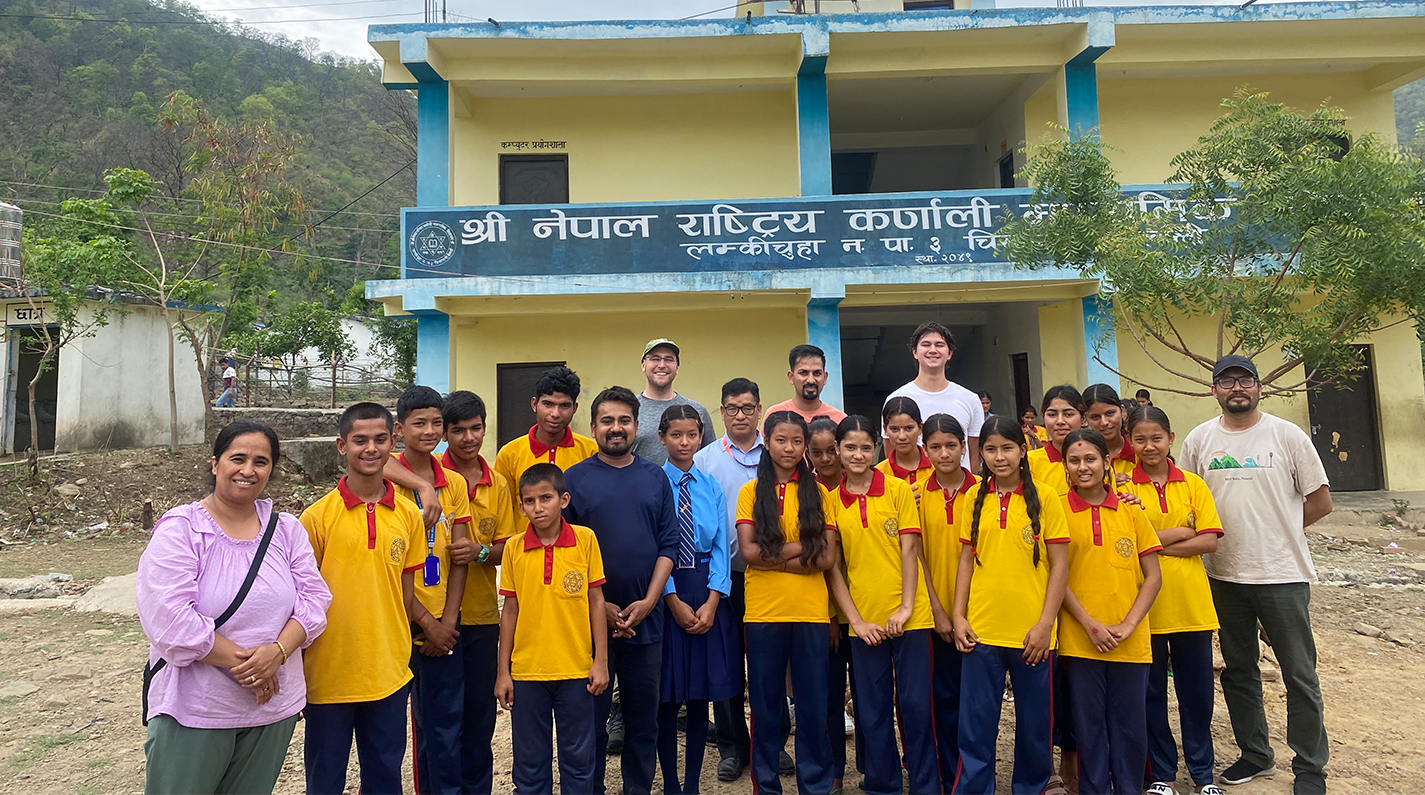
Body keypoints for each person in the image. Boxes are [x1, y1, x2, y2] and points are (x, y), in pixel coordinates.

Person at [138, 420, 331, 795]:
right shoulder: (182, 529)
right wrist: (255, 667)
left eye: (261, 461)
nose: (248, 470)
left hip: (272, 708)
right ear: (215, 464)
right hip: (196, 708)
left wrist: (277, 652)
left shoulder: (286, 530)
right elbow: (169, 618)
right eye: (237, 458)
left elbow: (315, 598)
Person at [1178, 355, 1333, 795]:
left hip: (1282, 573)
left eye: (1244, 380)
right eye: (1227, 382)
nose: (1236, 388)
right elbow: (1191, 503)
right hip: (1222, 575)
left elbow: (1321, 501)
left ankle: (1309, 766)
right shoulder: (1199, 439)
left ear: (1259, 387)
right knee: (1238, 669)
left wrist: (1279, 530)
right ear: (1215, 391)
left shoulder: (1287, 435)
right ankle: (1255, 754)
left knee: (1299, 673)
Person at [300, 403, 427, 795]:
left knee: (386, 777)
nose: (370, 449)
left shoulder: (408, 515)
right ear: (342, 446)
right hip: (328, 675)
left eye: (380, 439)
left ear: (394, 442)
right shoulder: (316, 518)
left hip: (388, 673)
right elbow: (302, 602)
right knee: (325, 779)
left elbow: (405, 595)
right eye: (359, 440)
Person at [564, 386, 679, 795]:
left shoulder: (655, 477)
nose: (616, 428)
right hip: (589, 621)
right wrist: (602, 606)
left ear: (636, 426)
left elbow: (669, 544)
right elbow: (566, 556)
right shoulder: (573, 481)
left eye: (624, 420)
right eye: (607, 421)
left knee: (642, 721)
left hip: (647, 620)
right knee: (590, 722)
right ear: (593, 426)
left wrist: (650, 600)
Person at [950, 416, 1069, 795]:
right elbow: (966, 561)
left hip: (1031, 631)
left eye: (1007, 448)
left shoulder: (1046, 497)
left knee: (1035, 724)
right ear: (980, 453)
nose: (999, 457)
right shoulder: (974, 497)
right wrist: (958, 616)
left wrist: (1044, 624)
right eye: (990, 449)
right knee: (976, 723)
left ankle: (1031, 787)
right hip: (982, 628)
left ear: (1023, 450)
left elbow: (1060, 566)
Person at [826, 415, 939, 795]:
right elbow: (833, 568)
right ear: (838, 451)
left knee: (916, 706)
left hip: (912, 616)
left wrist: (906, 608)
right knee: (871, 709)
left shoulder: (897, 490)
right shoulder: (830, 501)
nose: (858, 455)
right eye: (849, 447)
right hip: (864, 622)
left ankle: (926, 784)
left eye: (864, 447)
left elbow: (911, 550)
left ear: (877, 447)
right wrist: (855, 621)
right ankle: (882, 783)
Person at [694, 379, 794, 782]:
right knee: (727, 665)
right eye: (732, 408)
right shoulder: (704, 460)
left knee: (770, 667)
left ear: (759, 411)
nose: (740, 415)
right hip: (725, 578)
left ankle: (772, 743)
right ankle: (734, 746)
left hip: (773, 577)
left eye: (747, 407)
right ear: (721, 412)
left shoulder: (777, 454)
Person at [736, 411, 839, 795]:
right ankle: (766, 785)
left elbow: (826, 558)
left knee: (812, 706)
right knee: (765, 707)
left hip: (811, 613)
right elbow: (748, 552)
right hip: (763, 613)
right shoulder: (750, 493)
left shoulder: (820, 494)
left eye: (798, 442)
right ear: (767, 441)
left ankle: (815, 784)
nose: (790, 449)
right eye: (781, 440)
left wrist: (774, 554)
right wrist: (803, 550)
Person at [1127, 406, 1227, 795]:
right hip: (1145, 610)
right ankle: (1163, 774)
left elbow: (1209, 540)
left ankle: (1204, 775)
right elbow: (1132, 544)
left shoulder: (1193, 484)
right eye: (1140, 439)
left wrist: (1155, 538)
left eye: (1156, 438)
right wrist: (1181, 531)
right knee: (1151, 696)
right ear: (1129, 442)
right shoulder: (1123, 490)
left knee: (1197, 696)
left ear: (1171, 439)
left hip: (1192, 609)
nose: (1149, 446)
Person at [1058, 428, 1163, 795]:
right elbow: (1058, 578)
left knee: (1130, 726)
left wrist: (1129, 624)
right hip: (1080, 638)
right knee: (1089, 726)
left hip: (1131, 640)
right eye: (1074, 460)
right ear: (1065, 465)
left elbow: (1152, 576)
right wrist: (1089, 624)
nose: (1083, 467)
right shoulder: (1057, 511)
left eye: (1090, 459)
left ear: (1107, 462)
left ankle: (1130, 789)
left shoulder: (1132, 512)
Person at [494, 464, 610, 795]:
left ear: (563, 499)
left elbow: (596, 601)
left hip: (575, 670)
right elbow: (511, 611)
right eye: (529, 501)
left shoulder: (585, 540)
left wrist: (600, 660)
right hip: (528, 673)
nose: (538, 507)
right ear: (521, 506)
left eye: (546, 498)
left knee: (578, 759)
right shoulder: (515, 548)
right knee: (529, 764)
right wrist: (504, 671)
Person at [382, 386, 474, 795]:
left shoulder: (453, 482)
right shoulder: (381, 474)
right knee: (387, 731)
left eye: (437, 422)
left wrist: (447, 621)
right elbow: (374, 458)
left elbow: (459, 555)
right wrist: (423, 621)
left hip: (441, 622)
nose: (430, 431)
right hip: (396, 621)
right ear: (399, 429)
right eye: (419, 423)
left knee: (443, 726)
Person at [655, 405, 739, 795]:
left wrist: (713, 599)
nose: (684, 442)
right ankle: (670, 783)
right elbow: (654, 546)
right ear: (662, 438)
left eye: (691, 435)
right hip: (668, 589)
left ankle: (691, 785)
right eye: (676, 435)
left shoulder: (709, 486)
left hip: (705, 590)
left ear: (700, 436)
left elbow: (722, 543)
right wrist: (670, 598)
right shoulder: (653, 484)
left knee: (700, 695)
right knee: (668, 698)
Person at [439, 390, 516, 795]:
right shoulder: (427, 476)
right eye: (458, 431)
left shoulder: (498, 482)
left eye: (475, 429)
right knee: (438, 722)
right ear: (444, 434)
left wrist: (480, 551)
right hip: (433, 622)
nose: (468, 438)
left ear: (485, 428)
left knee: (479, 718)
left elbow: (509, 546)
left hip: (484, 616)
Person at [919, 413, 977, 791]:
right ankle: (947, 773)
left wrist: (964, 613)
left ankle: (975, 775)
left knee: (976, 701)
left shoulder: (984, 491)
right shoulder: (914, 495)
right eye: (936, 447)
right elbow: (916, 556)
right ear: (925, 450)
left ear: (963, 447)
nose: (944, 453)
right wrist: (939, 611)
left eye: (951, 446)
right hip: (934, 612)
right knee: (943, 696)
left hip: (978, 613)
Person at [809, 413, 862, 790]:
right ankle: (835, 773)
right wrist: (830, 616)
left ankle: (873, 768)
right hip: (827, 615)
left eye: (833, 451)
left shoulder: (855, 488)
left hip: (865, 612)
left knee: (867, 697)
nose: (827, 459)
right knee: (829, 696)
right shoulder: (809, 494)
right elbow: (822, 564)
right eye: (819, 453)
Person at [494, 366, 598, 521]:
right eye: (548, 404)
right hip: (524, 545)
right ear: (534, 404)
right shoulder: (509, 453)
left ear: (575, 408)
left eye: (564, 406)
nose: (555, 414)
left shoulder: (590, 450)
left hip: (577, 544)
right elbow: (503, 511)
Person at [884, 322, 984, 470]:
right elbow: (891, 456)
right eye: (926, 344)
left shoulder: (970, 399)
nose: (933, 350)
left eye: (939, 345)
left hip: (962, 490)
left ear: (949, 353)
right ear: (915, 352)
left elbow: (974, 456)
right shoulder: (896, 399)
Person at [630, 339, 715, 466]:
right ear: (643, 365)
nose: (662, 365)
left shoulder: (696, 410)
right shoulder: (630, 409)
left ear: (677, 368)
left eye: (669, 359)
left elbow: (710, 457)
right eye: (655, 358)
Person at [1026, 385, 1087, 497]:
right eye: (1052, 414)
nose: (1060, 421)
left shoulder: (1096, 459)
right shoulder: (1030, 461)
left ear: (1083, 419)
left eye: (1068, 414)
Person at [766, 344, 848, 424]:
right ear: (791, 377)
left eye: (817, 373)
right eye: (803, 373)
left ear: (825, 378)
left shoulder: (839, 420)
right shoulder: (775, 415)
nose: (811, 380)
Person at [1082, 383, 1137, 485]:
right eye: (1095, 417)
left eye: (1110, 413)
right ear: (1085, 419)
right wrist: (1104, 484)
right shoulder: (1080, 456)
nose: (1104, 422)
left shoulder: (1138, 451)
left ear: (1122, 411)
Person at [878, 396, 934, 490]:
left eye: (909, 428)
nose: (902, 436)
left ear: (920, 428)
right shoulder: (878, 474)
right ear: (885, 430)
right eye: (894, 429)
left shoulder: (937, 466)